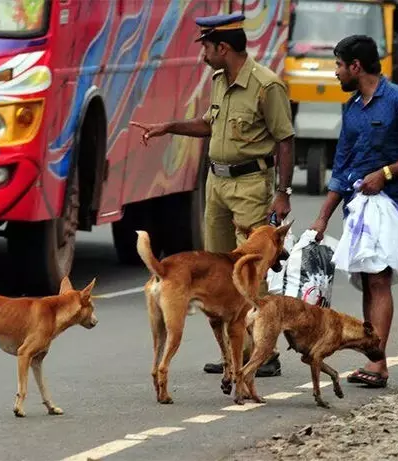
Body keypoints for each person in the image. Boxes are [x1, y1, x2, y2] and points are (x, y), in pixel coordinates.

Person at [131, 12, 295, 376]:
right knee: (219, 268)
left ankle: (263, 354)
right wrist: (168, 127)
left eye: (205, 47)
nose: (202, 55)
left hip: (251, 183)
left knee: (252, 269)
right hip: (217, 183)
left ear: (223, 47)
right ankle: (232, 354)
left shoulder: (267, 85)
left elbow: (285, 139)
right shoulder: (221, 80)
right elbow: (209, 124)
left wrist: (282, 192)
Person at [309, 35, 398, 388]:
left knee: (380, 278)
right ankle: (374, 357)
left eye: (338, 65)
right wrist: (323, 217)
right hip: (357, 207)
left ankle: (379, 364)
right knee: (368, 281)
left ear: (356, 66)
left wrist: (385, 174)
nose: (335, 72)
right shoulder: (352, 109)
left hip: (390, 205)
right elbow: (341, 167)